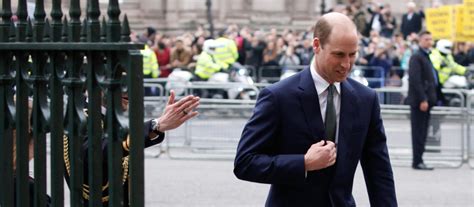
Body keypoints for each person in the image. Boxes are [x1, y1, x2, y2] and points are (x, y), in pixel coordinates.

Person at [233, 12, 397, 206]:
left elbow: (379, 170)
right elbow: (245, 163)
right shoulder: (278, 96)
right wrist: (303, 163)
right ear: (317, 45)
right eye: (338, 55)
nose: (346, 64)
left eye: (352, 55)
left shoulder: (366, 99)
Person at [64, 90, 200, 206]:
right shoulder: (79, 115)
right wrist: (155, 124)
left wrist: (159, 124)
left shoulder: (106, 114)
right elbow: (95, 151)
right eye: (122, 84)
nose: (129, 90)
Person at [406, 31, 442, 170]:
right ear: (420, 40)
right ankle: (417, 161)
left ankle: (419, 159)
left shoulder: (426, 56)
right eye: (427, 39)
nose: (429, 42)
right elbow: (416, 80)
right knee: (419, 132)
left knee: (423, 131)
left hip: (426, 101)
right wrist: (423, 99)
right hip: (420, 102)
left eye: (431, 39)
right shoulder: (417, 57)